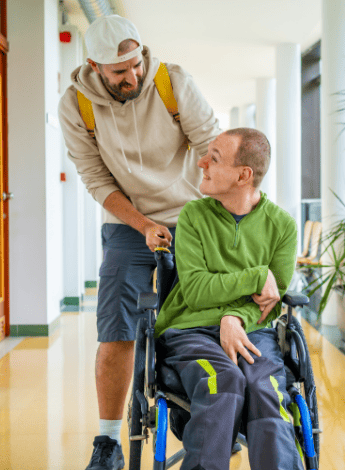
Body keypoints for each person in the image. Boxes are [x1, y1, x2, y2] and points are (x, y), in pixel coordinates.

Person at [58, 14, 220, 470]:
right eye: (119, 71)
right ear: (95, 66)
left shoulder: (171, 82)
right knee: (116, 330)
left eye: (135, 66)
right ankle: (107, 440)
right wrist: (142, 224)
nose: (132, 77)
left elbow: (212, 144)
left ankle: (201, 418)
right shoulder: (77, 105)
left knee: (196, 318)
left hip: (191, 216)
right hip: (127, 222)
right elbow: (94, 177)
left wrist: (217, 216)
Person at [155, 128, 304, 470]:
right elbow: (194, 290)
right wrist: (254, 276)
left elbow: (269, 301)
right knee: (223, 381)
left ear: (243, 175)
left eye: (214, 158)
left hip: (254, 332)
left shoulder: (282, 226)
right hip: (190, 330)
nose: (202, 162)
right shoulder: (194, 216)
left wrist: (232, 318)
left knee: (266, 392)